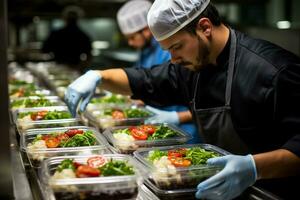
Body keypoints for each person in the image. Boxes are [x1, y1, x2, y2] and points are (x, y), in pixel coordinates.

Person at [65, 0, 300, 199]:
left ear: (204, 27)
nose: (173, 59)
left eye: (176, 47)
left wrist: (254, 168)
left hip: (269, 193)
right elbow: (145, 79)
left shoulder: (275, 70)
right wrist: (98, 76)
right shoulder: (190, 66)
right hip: (217, 189)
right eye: (168, 50)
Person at [116, 0, 200, 143]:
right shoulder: (145, 51)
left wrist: (176, 117)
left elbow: (207, 107)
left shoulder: (174, 52)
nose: (130, 43)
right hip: (160, 130)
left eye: (132, 37)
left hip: (186, 131)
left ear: (146, 30)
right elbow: (146, 80)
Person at [42, 5, 92, 73]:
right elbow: (88, 57)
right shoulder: (83, 36)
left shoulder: (56, 34)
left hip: (57, 67)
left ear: (64, 18)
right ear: (78, 19)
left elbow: (44, 50)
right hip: (74, 68)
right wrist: (80, 69)